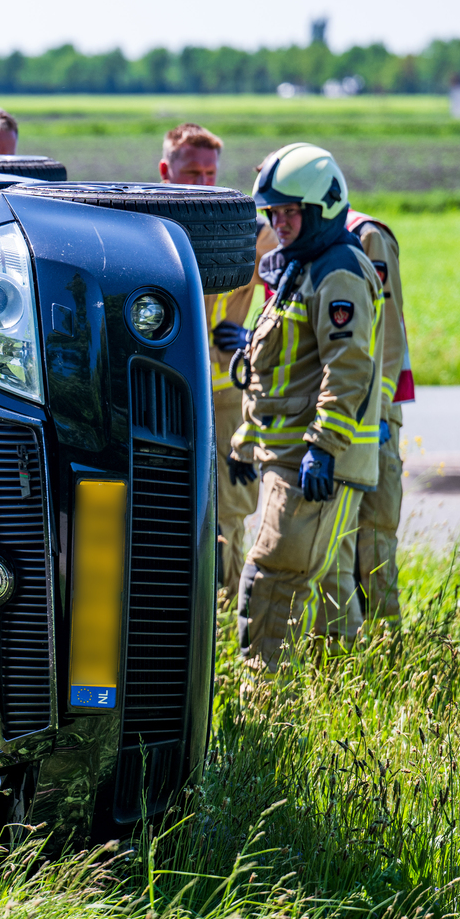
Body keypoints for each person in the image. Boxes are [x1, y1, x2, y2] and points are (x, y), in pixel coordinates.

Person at [228, 143, 383, 671]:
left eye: (290, 212)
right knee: (319, 590)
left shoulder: (337, 272)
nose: (279, 224)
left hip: (310, 463)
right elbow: (280, 371)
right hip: (287, 455)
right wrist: (246, 440)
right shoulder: (301, 267)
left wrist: (323, 448)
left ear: (323, 209)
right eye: (273, 213)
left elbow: (348, 370)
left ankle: (265, 702)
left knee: (272, 581)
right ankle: (332, 691)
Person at [159, 124, 278, 606]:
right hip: (168, 391)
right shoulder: (147, 226)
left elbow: (293, 290)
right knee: (169, 506)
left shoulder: (246, 231)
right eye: (191, 173)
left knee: (229, 508)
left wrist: (254, 335)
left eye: (210, 173)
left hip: (228, 393)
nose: (202, 185)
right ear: (166, 172)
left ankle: (224, 610)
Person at [345, 208, 410, 628]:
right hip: (334, 416)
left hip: (374, 418)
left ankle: (387, 652)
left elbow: (388, 331)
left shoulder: (366, 236)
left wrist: (380, 411)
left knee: (373, 537)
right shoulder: (288, 235)